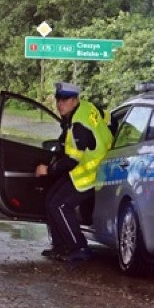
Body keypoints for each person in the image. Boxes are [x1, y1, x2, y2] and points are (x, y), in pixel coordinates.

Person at [35, 82, 113, 263]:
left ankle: (79, 247)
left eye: (65, 100)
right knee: (50, 198)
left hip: (92, 173)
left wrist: (48, 169)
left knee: (60, 205)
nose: (60, 104)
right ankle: (60, 246)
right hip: (91, 166)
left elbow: (72, 160)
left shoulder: (78, 124)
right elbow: (110, 119)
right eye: (58, 100)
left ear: (75, 100)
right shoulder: (88, 107)